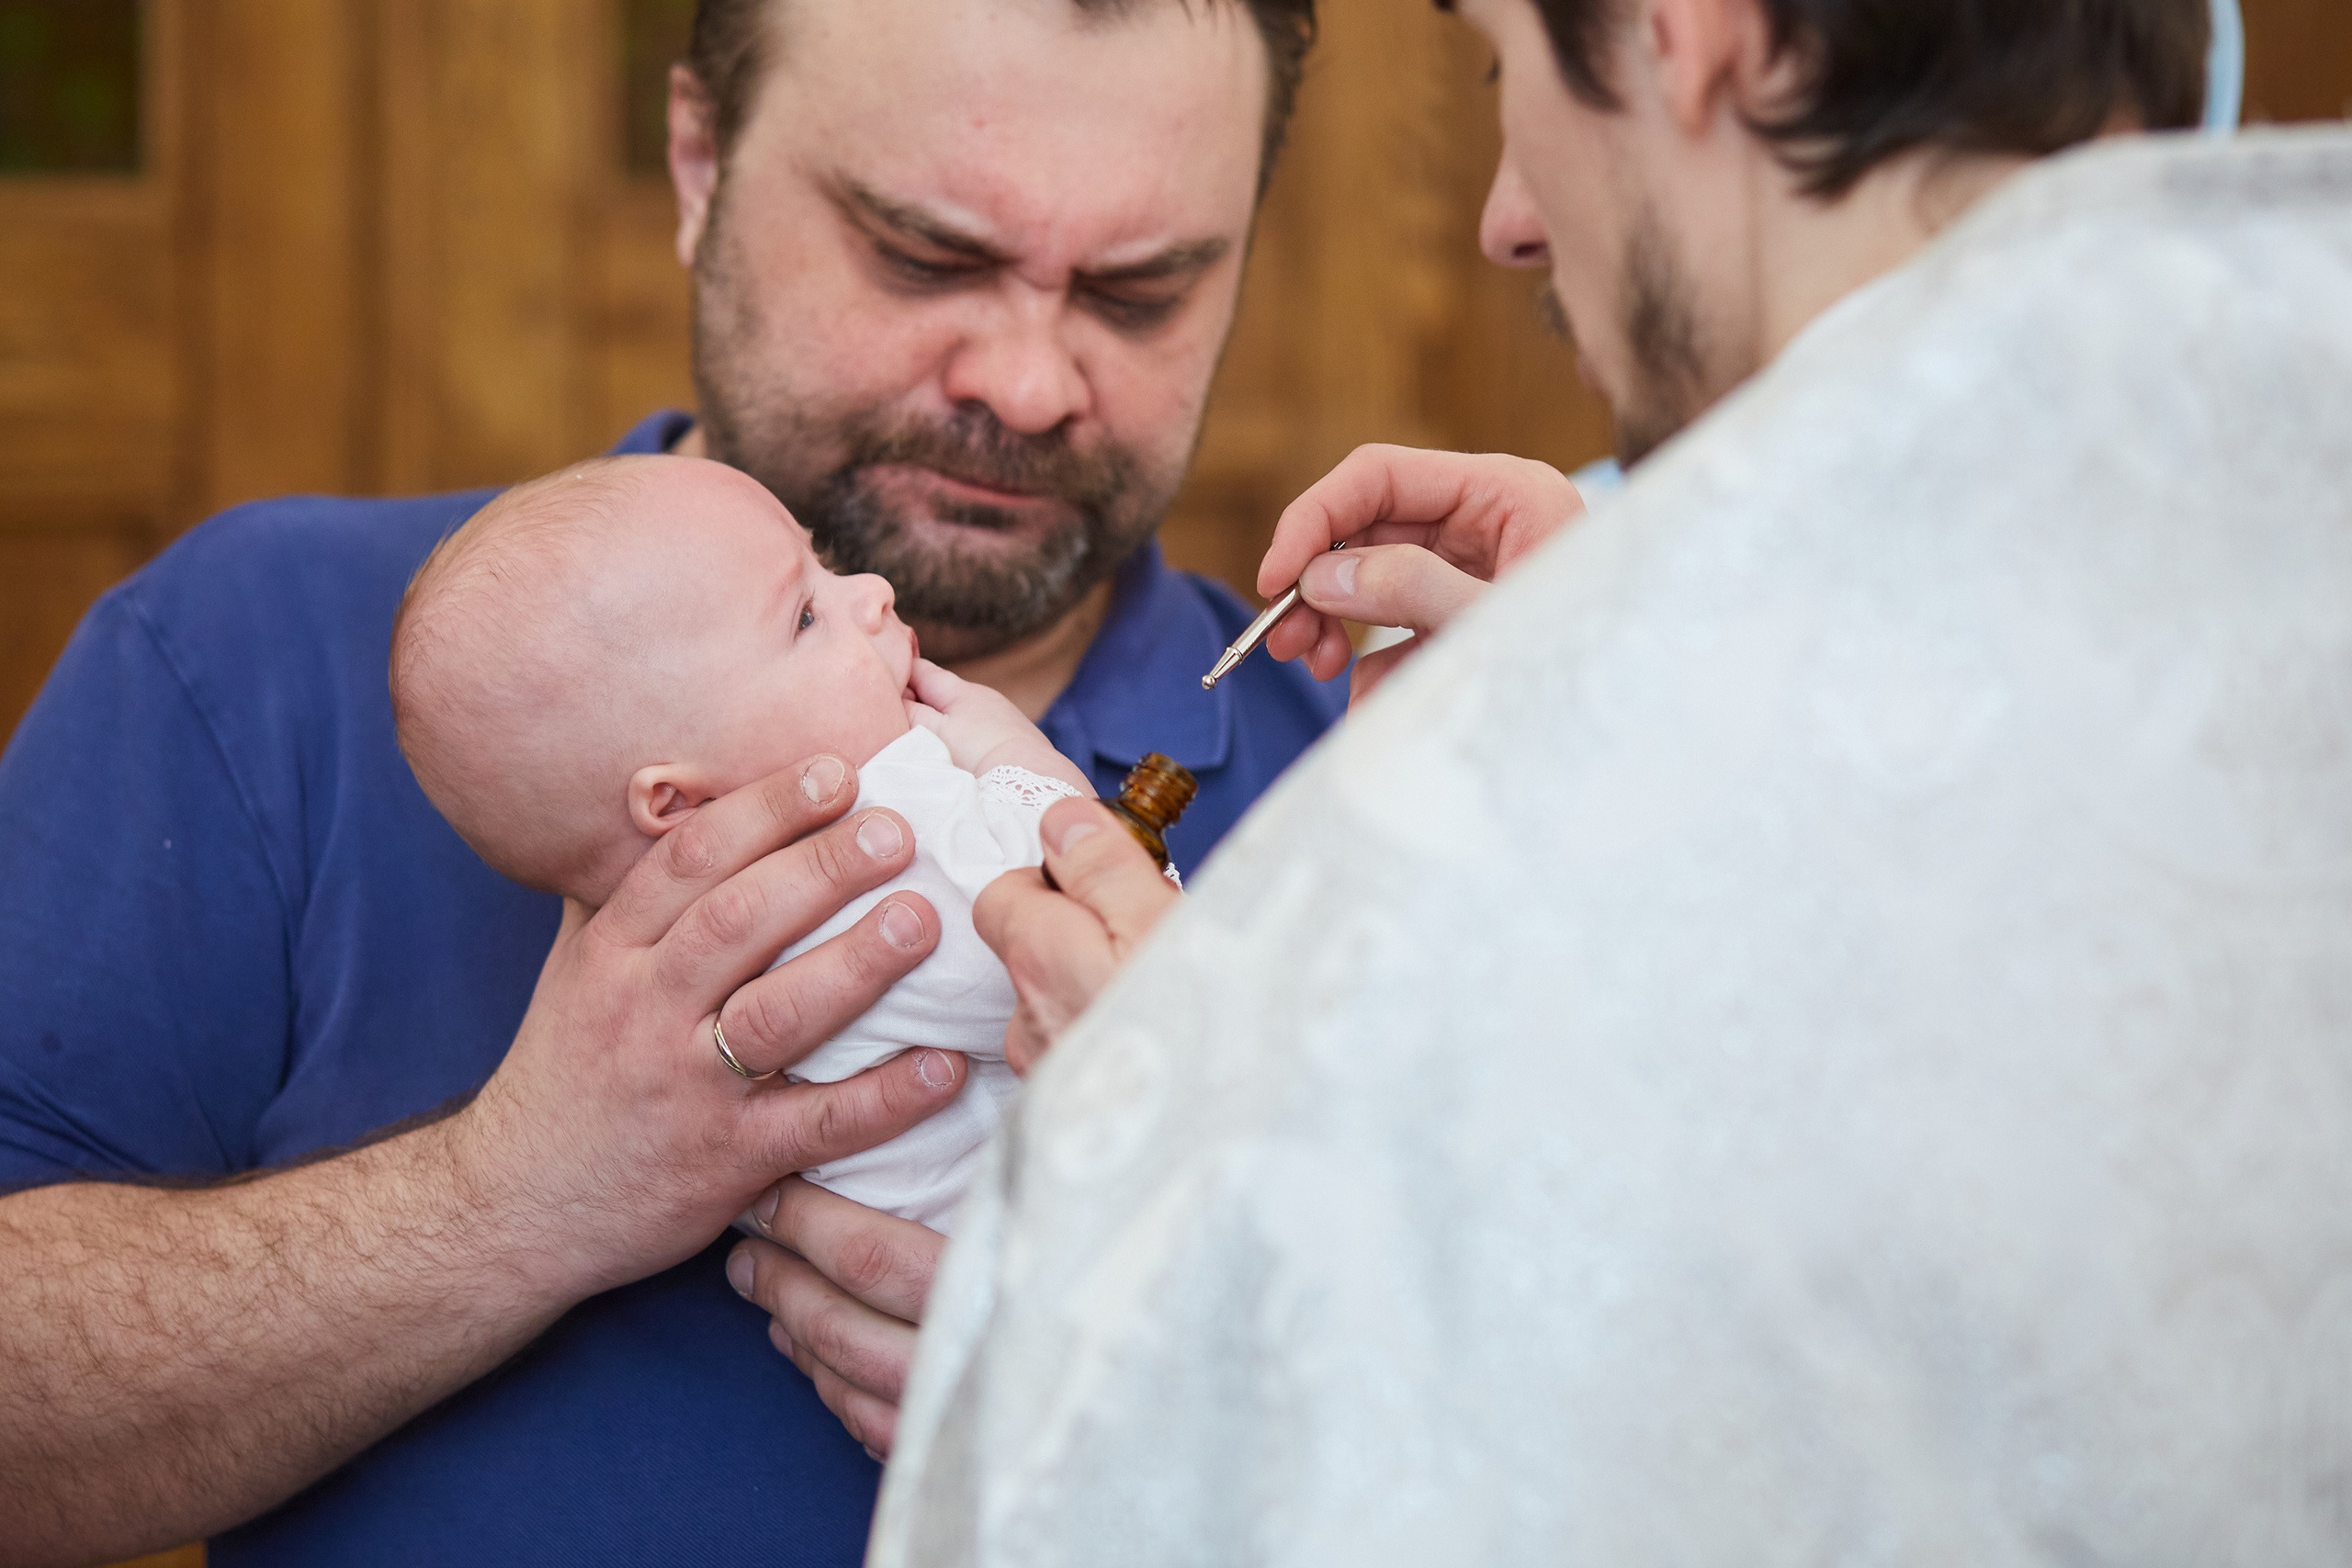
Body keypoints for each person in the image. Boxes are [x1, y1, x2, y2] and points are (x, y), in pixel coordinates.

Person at [854, 0, 2352, 1562]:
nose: (1508, 220)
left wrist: (1178, 1172)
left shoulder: (1349, 1012)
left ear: (1681, 28)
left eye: (1510, 71)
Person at [0, 1, 1332, 1562]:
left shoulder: (1406, 783)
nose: (1030, 385)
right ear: (699, 159)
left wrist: (1219, 1424)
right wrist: (510, 1201)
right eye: (921, 253)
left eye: (1140, 289)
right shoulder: (251, 658)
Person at [392, 455, 1092, 1229]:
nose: (871, 591)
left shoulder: (684, 949)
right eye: (803, 616)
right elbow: (1070, 960)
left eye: (821, 560)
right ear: (681, 800)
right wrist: (1017, 759)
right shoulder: (874, 844)